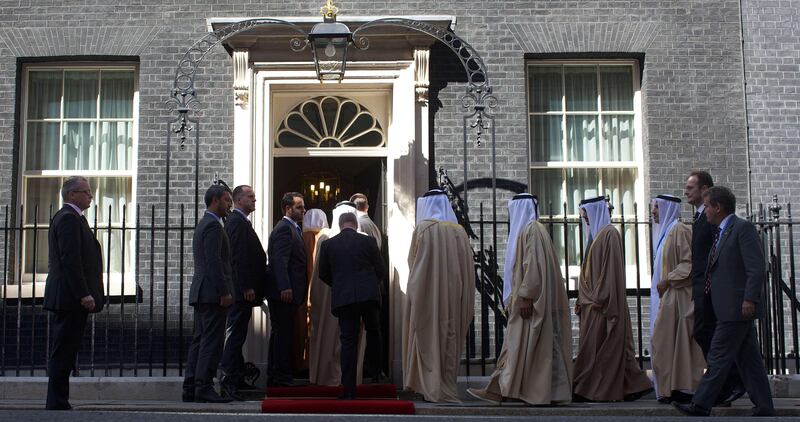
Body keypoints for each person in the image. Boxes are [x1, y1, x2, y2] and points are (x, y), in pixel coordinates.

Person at [674, 187, 774, 417]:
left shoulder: (742, 228)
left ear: (718, 207)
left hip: (737, 307)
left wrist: (750, 298)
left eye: (707, 206)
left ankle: (700, 404)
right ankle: (765, 406)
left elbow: (756, 268)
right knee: (749, 361)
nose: (705, 210)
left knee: (718, 356)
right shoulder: (722, 231)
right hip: (726, 307)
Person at [467, 193, 572, 405]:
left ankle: (500, 390)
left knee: (518, 347)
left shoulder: (531, 231)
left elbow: (532, 265)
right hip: (528, 301)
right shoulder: (533, 230)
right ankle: (500, 390)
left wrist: (525, 296)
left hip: (528, 303)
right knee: (522, 348)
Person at [572, 196, 652, 402]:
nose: (586, 220)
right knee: (600, 348)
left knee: (604, 349)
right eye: (583, 216)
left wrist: (601, 297)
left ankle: (596, 389)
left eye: (587, 215)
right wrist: (582, 299)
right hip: (591, 303)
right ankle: (631, 386)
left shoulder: (610, 235)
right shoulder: (595, 235)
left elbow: (611, 272)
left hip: (602, 304)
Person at [403, 189, 475, 403]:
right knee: (449, 338)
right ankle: (446, 386)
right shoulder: (459, 232)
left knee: (427, 336)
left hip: (428, 295)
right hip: (454, 295)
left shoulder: (424, 229)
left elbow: (413, 263)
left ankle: (429, 386)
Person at [44, 176, 105, 410]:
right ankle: (57, 401)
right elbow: (71, 260)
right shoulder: (68, 218)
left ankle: (59, 399)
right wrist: (83, 294)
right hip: (70, 297)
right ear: (72, 195)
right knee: (64, 350)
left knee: (67, 350)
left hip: (70, 296)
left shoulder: (73, 218)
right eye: (86, 192)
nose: (90, 196)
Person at [684, 171, 743, 406]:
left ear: (705, 189)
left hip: (708, 287)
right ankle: (731, 383)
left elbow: (715, 251)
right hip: (700, 284)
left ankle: (726, 385)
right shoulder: (699, 217)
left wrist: (710, 283)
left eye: (691, 188)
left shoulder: (710, 220)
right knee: (710, 335)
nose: (686, 192)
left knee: (705, 333)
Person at [318, 212, 384, 399]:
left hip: (344, 298)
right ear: (356, 225)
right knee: (373, 332)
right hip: (369, 296)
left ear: (340, 225)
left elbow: (323, 273)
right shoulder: (369, 242)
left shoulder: (329, 244)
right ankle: (376, 373)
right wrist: (370, 284)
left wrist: (339, 285)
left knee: (348, 341)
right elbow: (380, 268)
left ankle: (348, 389)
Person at [648, 194, 705, 404]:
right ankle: (669, 387)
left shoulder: (679, 230)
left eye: (656, 208)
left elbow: (689, 262)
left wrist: (668, 280)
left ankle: (682, 388)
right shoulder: (666, 234)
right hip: (667, 297)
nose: (653, 212)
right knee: (664, 343)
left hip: (678, 297)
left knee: (675, 343)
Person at [183, 184, 234, 403]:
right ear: (215, 201)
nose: (229, 204)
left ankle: (191, 386)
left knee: (200, 340)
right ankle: (204, 386)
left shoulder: (204, 224)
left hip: (202, 291)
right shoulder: (213, 226)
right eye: (226, 200)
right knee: (211, 342)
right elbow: (214, 262)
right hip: (212, 293)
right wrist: (224, 290)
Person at [308, 201, 366, 386]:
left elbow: (320, 273)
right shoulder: (363, 238)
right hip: (357, 297)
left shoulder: (326, 239)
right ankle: (350, 378)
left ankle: (328, 375)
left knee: (332, 337)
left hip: (331, 297)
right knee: (351, 338)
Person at [220, 185, 269, 400]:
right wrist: (246, 286)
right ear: (238, 200)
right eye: (250, 197)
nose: (254, 200)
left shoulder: (240, 222)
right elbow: (237, 258)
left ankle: (237, 378)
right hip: (241, 292)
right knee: (234, 336)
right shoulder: (237, 223)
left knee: (238, 336)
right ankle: (230, 381)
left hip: (243, 291)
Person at [266, 192, 307, 386]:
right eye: (299, 207)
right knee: (283, 335)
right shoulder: (284, 229)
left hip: (289, 292)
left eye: (303, 207)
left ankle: (277, 374)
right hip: (284, 293)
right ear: (287, 208)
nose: (303, 210)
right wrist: (285, 287)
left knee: (282, 333)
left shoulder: (293, 228)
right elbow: (279, 261)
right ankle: (280, 376)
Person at [293, 209, 328, 376]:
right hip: (321, 287)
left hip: (302, 287)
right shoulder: (324, 237)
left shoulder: (301, 236)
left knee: (301, 327)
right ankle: (317, 364)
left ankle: (301, 363)